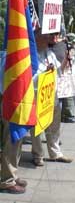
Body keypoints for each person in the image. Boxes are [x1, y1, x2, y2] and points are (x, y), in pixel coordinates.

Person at [30, 30, 73, 166]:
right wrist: (45, 73)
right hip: (37, 96)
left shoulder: (50, 54)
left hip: (51, 95)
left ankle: (55, 153)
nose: (50, 39)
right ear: (37, 38)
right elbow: (31, 78)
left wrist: (67, 59)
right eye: (46, 36)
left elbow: (59, 72)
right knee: (37, 126)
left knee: (54, 126)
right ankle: (38, 155)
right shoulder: (30, 56)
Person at [0, 50, 26, 194]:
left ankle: (12, 175)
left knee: (16, 139)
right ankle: (7, 180)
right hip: (10, 102)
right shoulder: (9, 56)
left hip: (18, 102)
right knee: (10, 140)